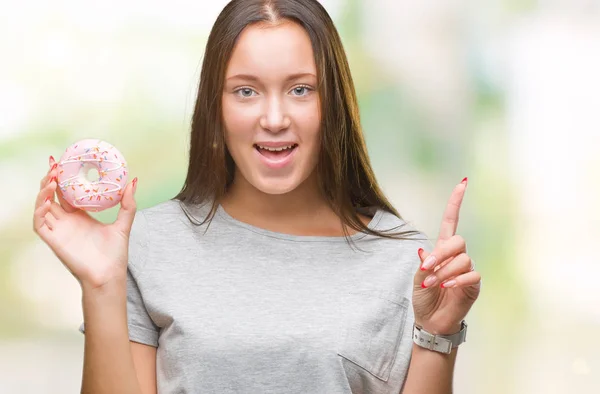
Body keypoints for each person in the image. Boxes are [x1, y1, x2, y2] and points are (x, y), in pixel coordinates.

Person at [33, 0, 481, 393]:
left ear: (334, 105)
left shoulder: (408, 261)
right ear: (217, 106)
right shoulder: (148, 242)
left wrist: (437, 332)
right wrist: (101, 284)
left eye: (300, 89)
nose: (273, 118)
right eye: (245, 91)